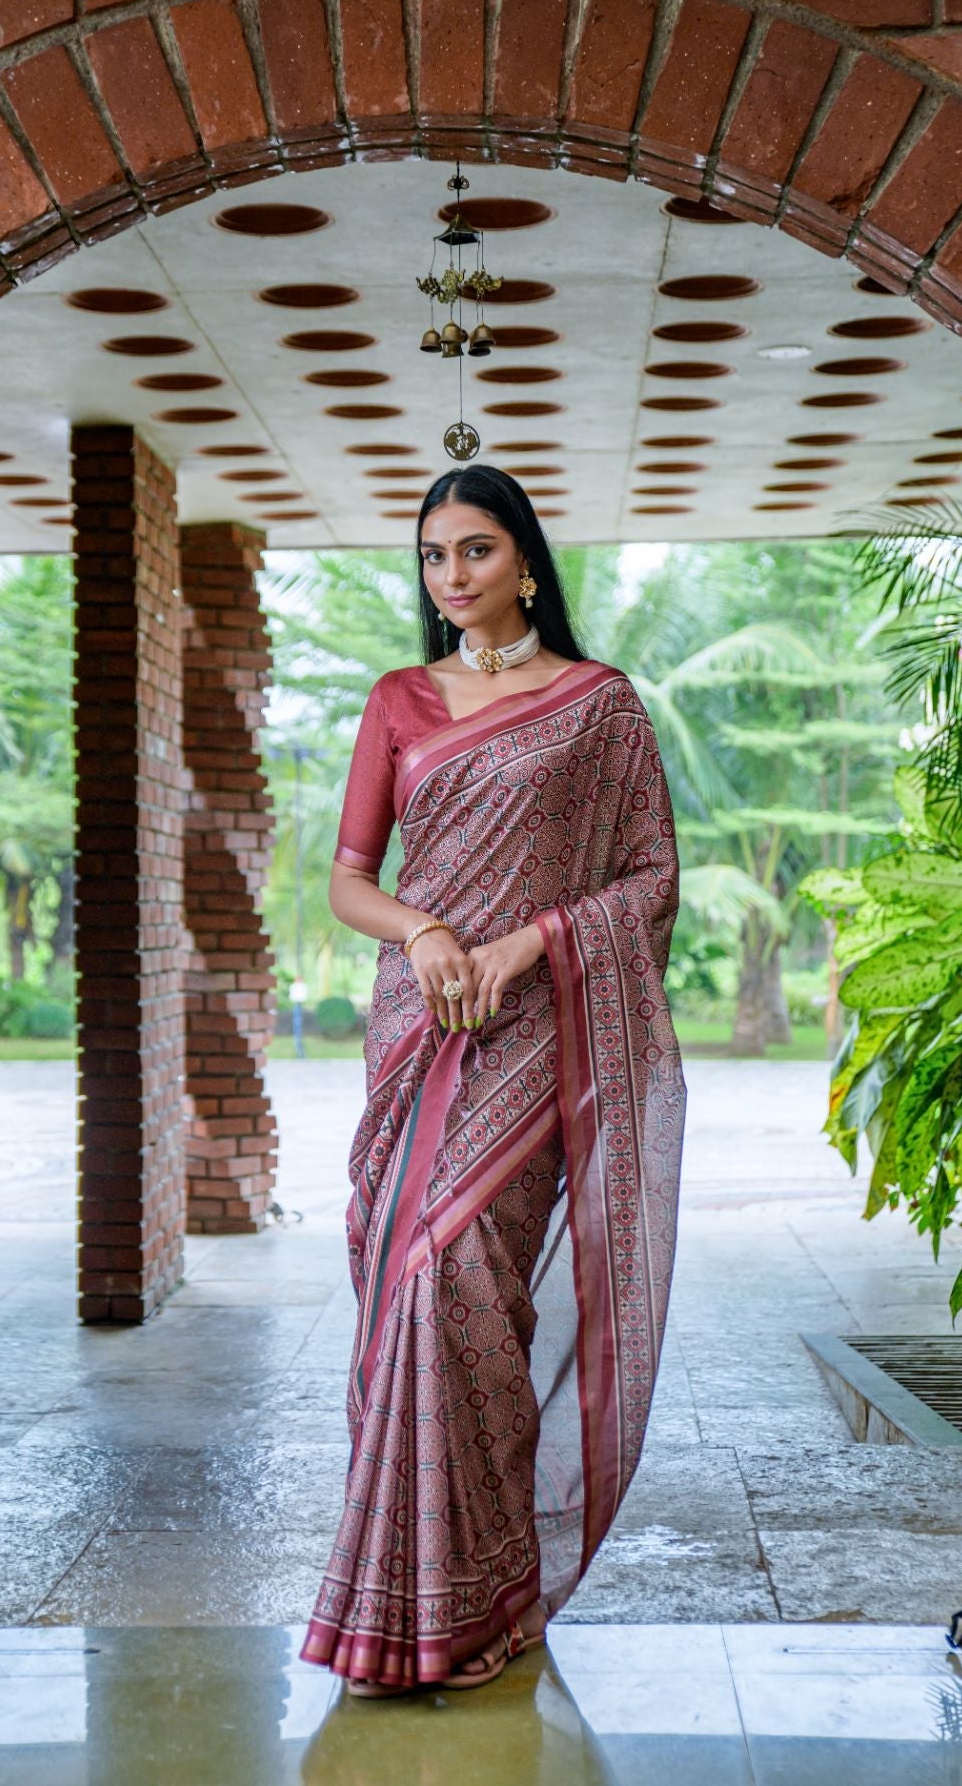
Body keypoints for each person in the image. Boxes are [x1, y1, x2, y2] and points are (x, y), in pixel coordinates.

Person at [300, 463, 687, 1696]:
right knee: (409, 1285)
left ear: (525, 558)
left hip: (535, 1036)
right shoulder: (400, 701)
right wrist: (424, 933)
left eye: (474, 550)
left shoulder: (600, 707)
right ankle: (400, 1607)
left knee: (471, 1288)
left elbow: (648, 880)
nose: (451, 576)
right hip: (427, 1033)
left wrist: (532, 942)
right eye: (431, 556)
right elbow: (350, 878)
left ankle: (488, 1601)